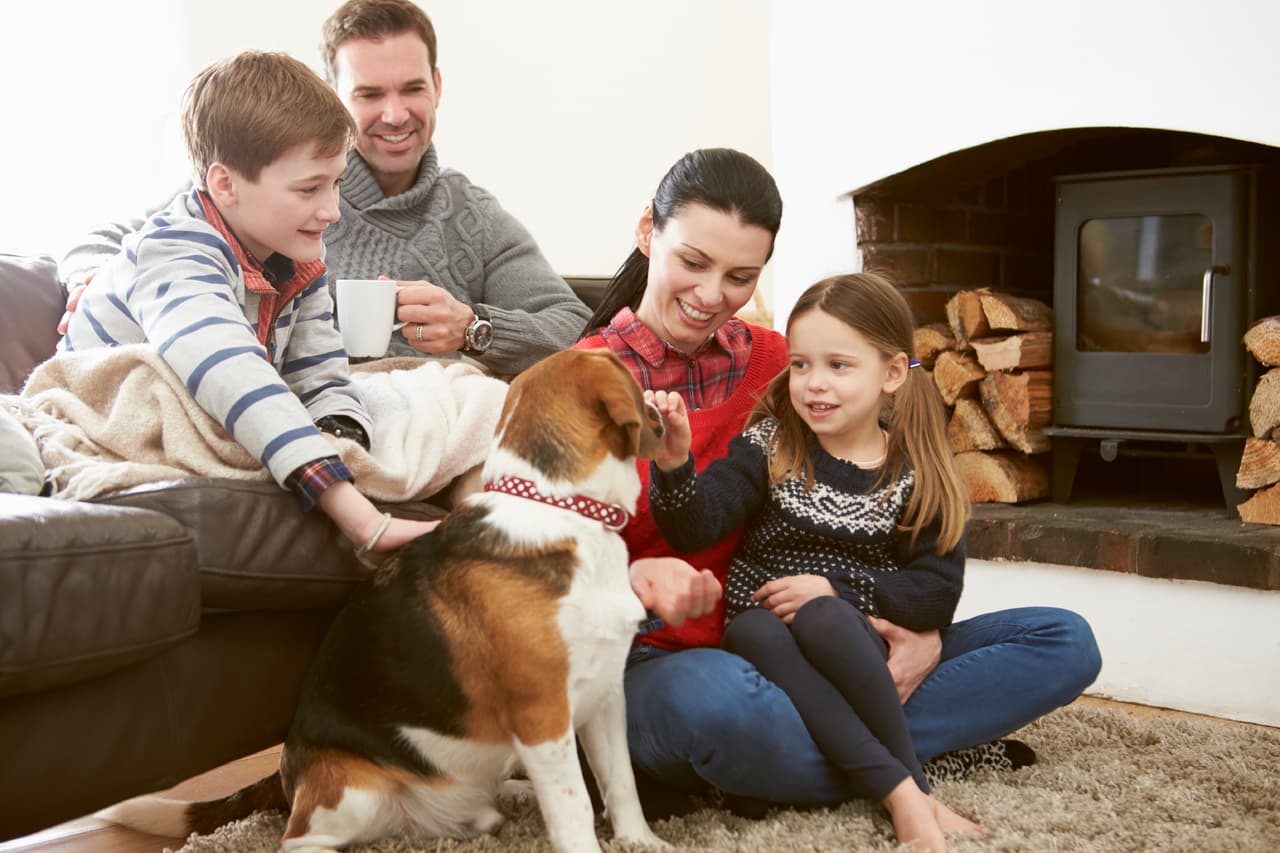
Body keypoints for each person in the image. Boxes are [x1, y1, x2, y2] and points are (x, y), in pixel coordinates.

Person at [574, 147, 1102, 815]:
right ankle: (895, 761)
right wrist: (631, 582)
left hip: (835, 645)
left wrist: (925, 635)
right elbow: (524, 564)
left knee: (1063, 639)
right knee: (716, 706)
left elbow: (922, 561)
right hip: (678, 660)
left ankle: (826, 761)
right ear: (649, 231)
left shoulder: (785, 363)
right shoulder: (574, 384)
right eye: (693, 262)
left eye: (740, 275)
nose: (712, 296)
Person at [59, 0, 589, 377]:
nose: (395, 113)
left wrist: (476, 328)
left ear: (438, 86)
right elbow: (113, 239)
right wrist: (96, 282)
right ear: (333, 95)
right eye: (368, 93)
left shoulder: (472, 215)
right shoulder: (272, 194)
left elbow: (581, 330)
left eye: (412, 89)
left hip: (442, 417)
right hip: (311, 405)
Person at [645, 272, 982, 850]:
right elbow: (695, 524)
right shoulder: (771, 444)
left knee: (1058, 638)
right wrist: (675, 466)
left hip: (854, 643)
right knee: (764, 634)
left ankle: (823, 761)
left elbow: (937, 593)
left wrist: (834, 589)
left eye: (838, 366)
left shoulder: (913, 473)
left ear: (893, 374)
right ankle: (910, 790)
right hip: (760, 628)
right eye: (800, 364)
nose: (814, 384)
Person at [61, 51, 435, 560]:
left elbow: (321, 375)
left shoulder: (298, 259)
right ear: (225, 184)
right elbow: (230, 371)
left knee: (447, 395)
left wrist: (339, 439)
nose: (332, 211)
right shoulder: (175, 252)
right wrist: (360, 515)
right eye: (309, 189)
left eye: (337, 183)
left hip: (231, 404)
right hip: (123, 413)